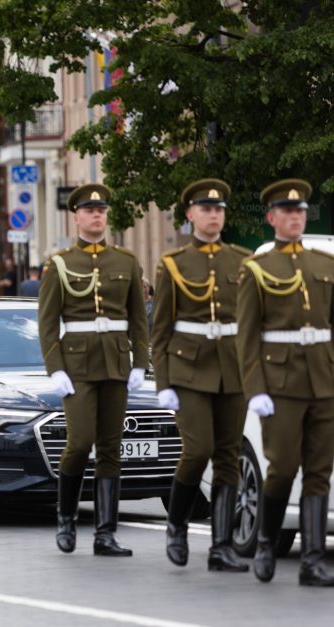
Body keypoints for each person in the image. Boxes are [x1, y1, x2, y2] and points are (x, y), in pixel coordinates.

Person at [38, 183, 149, 557]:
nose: (97, 215)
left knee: (111, 449)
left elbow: (138, 320)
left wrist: (142, 363)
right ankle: (66, 519)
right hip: (78, 366)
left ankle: (105, 534)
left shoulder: (126, 261)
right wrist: (55, 367)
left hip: (116, 362)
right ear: (77, 217)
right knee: (80, 442)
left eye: (101, 210)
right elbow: (47, 322)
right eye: (89, 211)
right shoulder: (60, 263)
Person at [236, 179, 334, 586]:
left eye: (300, 211)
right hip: (281, 382)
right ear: (272, 217)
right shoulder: (256, 269)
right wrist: (256, 389)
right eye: (287, 212)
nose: (295, 217)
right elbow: (246, 335)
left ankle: (312, 559)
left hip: (324, 379)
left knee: (319, 470)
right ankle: (265, 542)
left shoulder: (325, 266)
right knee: (281, 469)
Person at [151, 178, 251, 572]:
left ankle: (221, 546)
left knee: (228, 456)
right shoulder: (173, 264)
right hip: (189, 370)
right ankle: (176, 525)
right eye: (206, 209)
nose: (214, 214)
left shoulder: (242, 261)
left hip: (234, 369)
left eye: (219, 209)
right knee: (199, 449)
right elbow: (160, 330)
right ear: (191, 214)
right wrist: (163, 384)